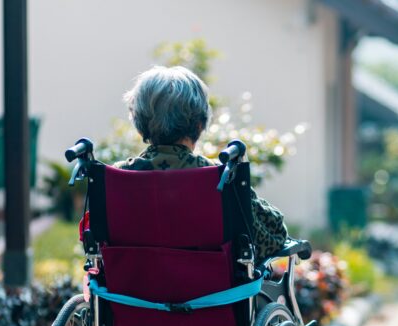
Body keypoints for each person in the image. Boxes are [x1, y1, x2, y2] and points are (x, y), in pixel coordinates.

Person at [114, 65, 288, 260]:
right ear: (199, 124)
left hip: (133, 287)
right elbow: (275, 236)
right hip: (211, 288)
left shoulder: (116, 179)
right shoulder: (221, 176)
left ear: (140, 126)